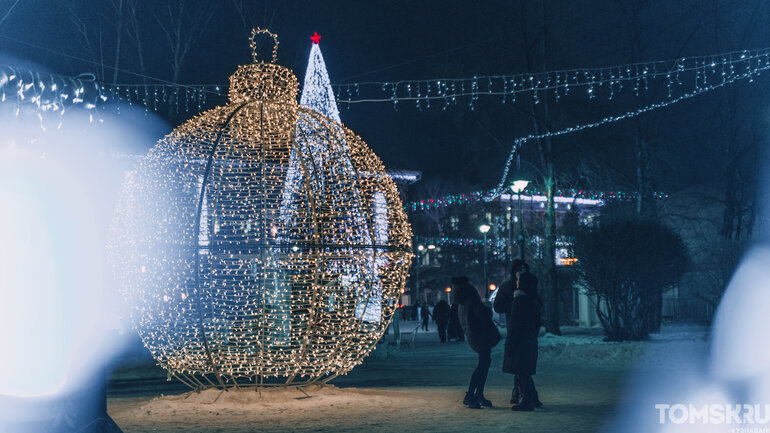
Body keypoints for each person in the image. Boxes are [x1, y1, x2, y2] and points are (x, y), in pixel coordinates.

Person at [453, 276, 502, 409]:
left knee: (484, 364)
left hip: (474, 335)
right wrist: (487, 309)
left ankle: (478, 394)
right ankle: (471, 395)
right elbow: (482, 314)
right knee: (483, 365)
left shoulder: (461, 300)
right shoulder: (471, 298)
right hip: (482, 335)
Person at [503, 271, 542, 411]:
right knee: (524, 371)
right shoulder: (533, 300)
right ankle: (532, 398)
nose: (517, 283)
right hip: (530, 339)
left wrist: (510, 344)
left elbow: (515, 325)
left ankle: (527, 401)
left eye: (519, 282)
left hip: (520, 341)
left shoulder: (519, 301)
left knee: (522, 371)